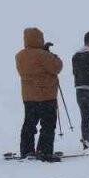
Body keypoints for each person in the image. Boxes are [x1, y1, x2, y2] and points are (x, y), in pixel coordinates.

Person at [15, 27, 64, 162]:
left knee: (29, 125)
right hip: (46, 95)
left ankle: (27, 151)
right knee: (48, 125)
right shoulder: (43, 55)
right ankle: (44, 151)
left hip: (28, 97)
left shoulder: (19, 56)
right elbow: (57, 67)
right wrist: (50, 54)